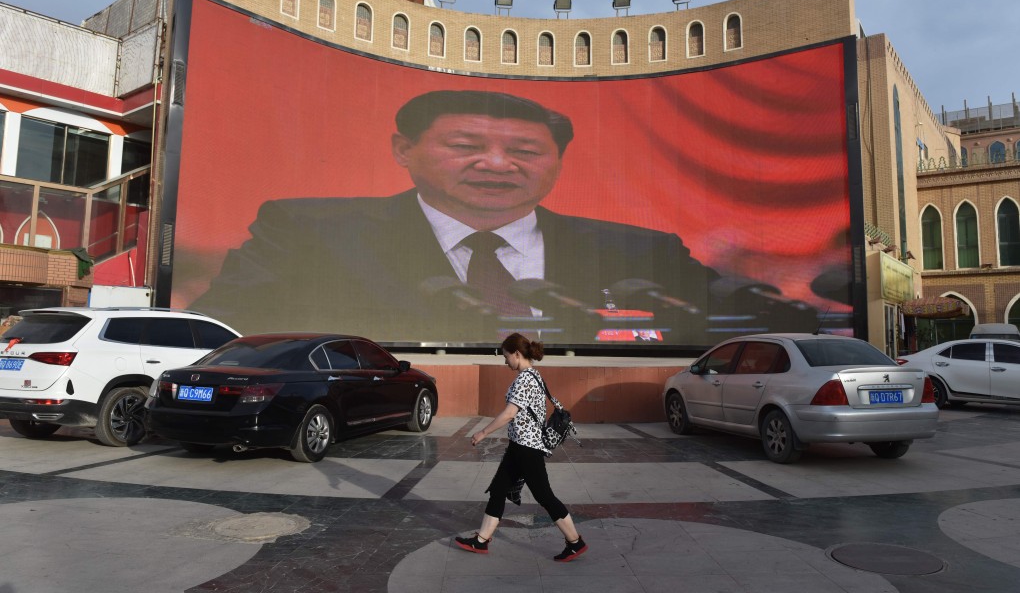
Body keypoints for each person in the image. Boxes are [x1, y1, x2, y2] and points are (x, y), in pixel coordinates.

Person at [190, 90, 759, 344]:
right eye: (465, 145)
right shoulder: (308, 231)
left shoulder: (642, 250)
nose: (497, 165)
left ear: (558, 163)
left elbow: (735, 316)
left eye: (526, 152)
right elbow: (221, 324)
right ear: (402, 149)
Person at [454, 332, 587, 562]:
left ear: (517, 354)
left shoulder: (525, 379)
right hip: (518, 447)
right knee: (498, 489)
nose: (505, 361)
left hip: (527, 448)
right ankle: (482, 541)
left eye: (506, 356)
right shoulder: (534, 375)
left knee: (544, 495)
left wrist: (483, 432)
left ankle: (575, 542)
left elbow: (509, 413)